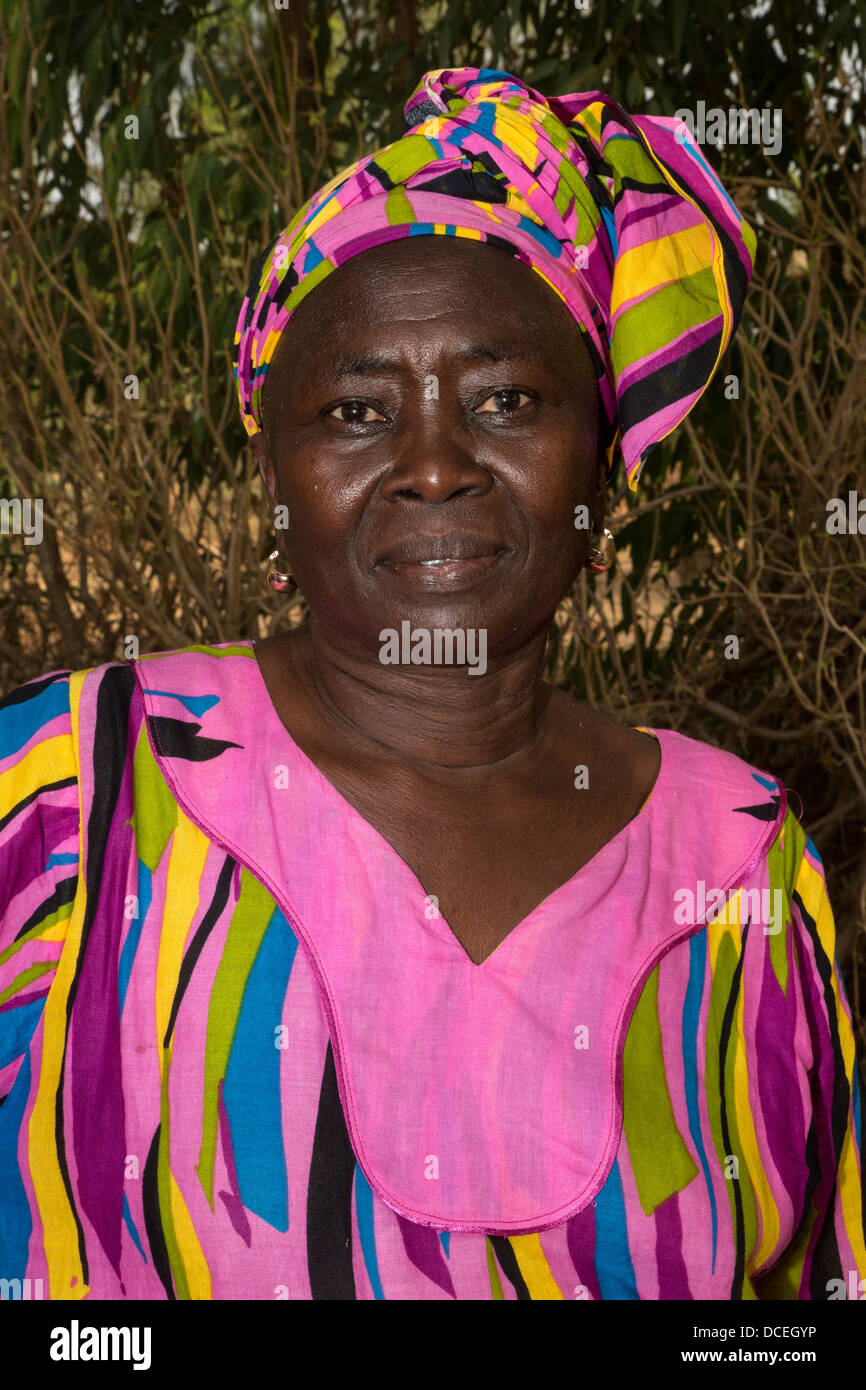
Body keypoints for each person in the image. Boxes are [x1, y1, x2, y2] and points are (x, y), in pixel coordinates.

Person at [1, 66, 863, 1301]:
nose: (432, 464)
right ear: (275, 489)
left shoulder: (737, 856)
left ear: (599, 466)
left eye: (504, 399)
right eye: (356, 411)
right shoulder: (69, 791)